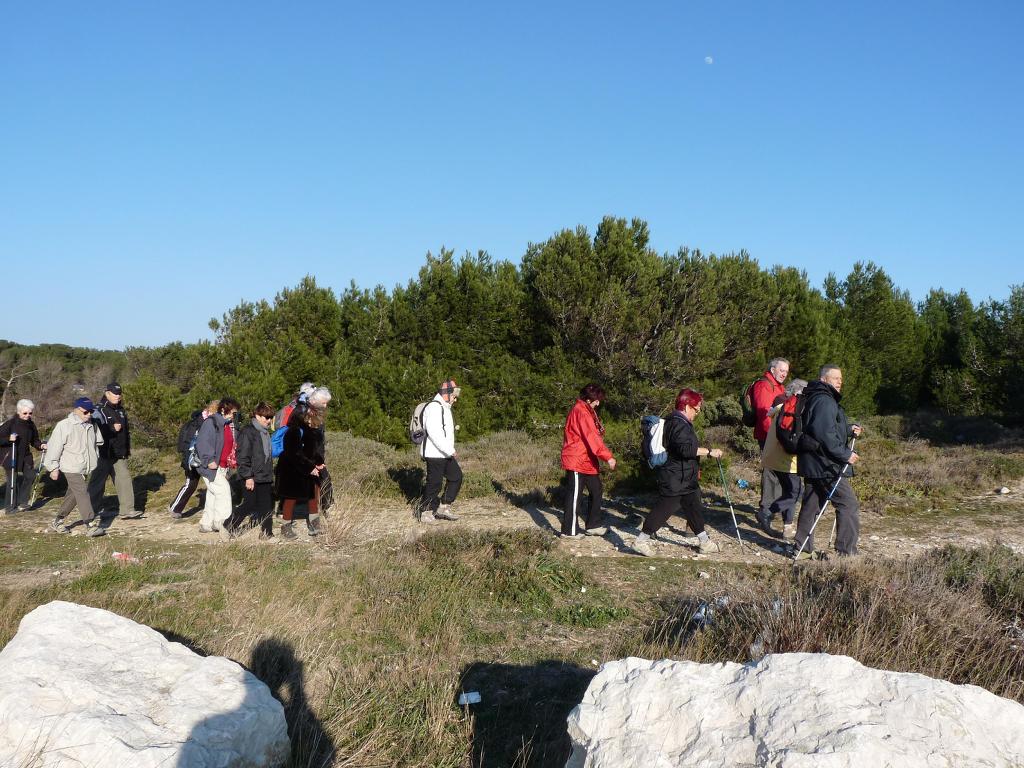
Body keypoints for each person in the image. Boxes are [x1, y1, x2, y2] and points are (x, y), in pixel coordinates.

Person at [633, 388, 724, 557]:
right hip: (675, 476)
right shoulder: (677, 422)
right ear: (687, 406)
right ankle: (641, 541)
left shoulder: (679, 422)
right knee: (664, 508)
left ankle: (704, 542)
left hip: (684, 476)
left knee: (693, 506)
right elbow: (684, 449)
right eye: (696, 409)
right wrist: (709, 452)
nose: (698, 412)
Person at [794, 365, 863, 558]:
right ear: (824, 379)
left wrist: (849, 430)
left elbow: (826, 428)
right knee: (848, 504)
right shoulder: (824, 400)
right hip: (826, 464)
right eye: (835, 378)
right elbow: (824, 434)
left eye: (841, 378)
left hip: (813, 462)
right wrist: (845, 454)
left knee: (811, 505)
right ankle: (846, 552)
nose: (840, 382)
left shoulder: (818, 398)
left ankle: (802, 548)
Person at [560, 384, 616, 537]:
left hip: (587, 460)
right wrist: (608, 457)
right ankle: (569, 531)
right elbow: (592, 437)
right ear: (589, 398)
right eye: (597, 400)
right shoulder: (581, 412)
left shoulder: (586, 411)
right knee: (574, 496)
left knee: (596, 490)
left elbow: (595, 434)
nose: (598, 403)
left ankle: (593, 525)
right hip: (577, 459)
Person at [44, 397, 105, 536]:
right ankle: (90, 524)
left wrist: (94, 455)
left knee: (73, 495)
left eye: (91, 411)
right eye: (86, 412)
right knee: (82, 492)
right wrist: (53, 467)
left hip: (86, 467)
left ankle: (57, 521)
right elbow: (54, 447)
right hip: (70, 467)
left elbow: (98, 442)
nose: (89, 414)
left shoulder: (93, 425)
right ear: (76, 410)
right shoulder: (64, 425)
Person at [758, 379, 808, 540]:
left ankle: (787, 527)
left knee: (789, 492)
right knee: (796, 493)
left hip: (772, 457)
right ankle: (767, 512)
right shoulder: (794, 411)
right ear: (798, 392)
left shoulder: (780, 407)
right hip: (787, 460)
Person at [87, 383, 142, 519]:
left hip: (119, 453)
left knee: (124, 479)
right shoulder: (98, 410)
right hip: (103, 453)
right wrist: (111, 428)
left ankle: (127, 510)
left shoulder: (121, 410)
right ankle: (89, 511)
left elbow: (125, 432)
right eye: (115, 393)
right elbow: (93, 429)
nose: (118, 396)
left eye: (119, 393)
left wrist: (126, 449)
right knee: (97, 483)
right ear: (107, 394)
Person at [223, 403, 276, 540]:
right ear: (257, 415)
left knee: (266, 505)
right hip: (250, 476)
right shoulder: (248, 431)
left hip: (264, 475)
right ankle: (229, 525)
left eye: (271, 417)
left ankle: (266, 533)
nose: (269, 420)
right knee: (250, 503)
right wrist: (248, 477)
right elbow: (243, 456)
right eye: (266, 417)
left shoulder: (264, 432)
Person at [750, 358, 789, 536]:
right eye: (782, 370)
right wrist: (777, 436)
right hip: (768, 437)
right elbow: (764, 413)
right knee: (771, 473)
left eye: (786, 371)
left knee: (778, 472)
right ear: (772, 369)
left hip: (777, 437)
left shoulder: (779, 387)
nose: (784, 374)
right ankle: (766, 509)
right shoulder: (764, 385)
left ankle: (771, 509)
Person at [275, 406, 327, 540]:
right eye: (309, 417)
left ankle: (314, 523)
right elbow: (294, 454)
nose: (312, 420)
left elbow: (312, 451)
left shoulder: (309, 431)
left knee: (313, 497)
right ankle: (285, 527)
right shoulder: (293, 432)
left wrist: (319, 461)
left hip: (307, 468)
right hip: (291, 470)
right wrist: (310, 468)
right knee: (290, 498)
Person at [419, 379, 463, 523]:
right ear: (447, 394)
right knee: (434, 483)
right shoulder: (434, 407)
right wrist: (450, 450)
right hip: (434, 453)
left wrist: (448, 451)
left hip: (444, 453)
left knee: (456, 476)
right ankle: (426, 513)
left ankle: (443, 507)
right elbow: (435, 433)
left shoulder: (444, 407)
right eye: (454, 396)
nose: (455, 399)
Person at [195, 398, 240, 534]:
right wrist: (209, 460)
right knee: (223, 490)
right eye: (233, 412)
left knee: (213, 494)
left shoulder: (227, 424)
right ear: (223, 410)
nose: (234, 415)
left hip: (221, 466)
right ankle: (223, 523)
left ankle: (206, 523)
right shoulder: (211, 422)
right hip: (210, 466)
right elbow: (203, 443)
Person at [168, 399, 219, 518]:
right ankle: (175, 508)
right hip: (193, 458)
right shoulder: (200, 422)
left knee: (202, 483)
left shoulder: (205, 421)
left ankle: (176, 507)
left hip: (202, 457)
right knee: (190, 483)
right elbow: (189, 442)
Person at [1, 399, 46, 513]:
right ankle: (10, 507)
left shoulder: (30, 424)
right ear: (18, 412)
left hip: (25, 456)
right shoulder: (10, 423)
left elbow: (34, 440)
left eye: (30, 413)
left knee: (30, 475)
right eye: (25, 413)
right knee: (13, 481)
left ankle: (22, 503)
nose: (28, 415)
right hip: (11, 455)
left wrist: (40, 445)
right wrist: (8, 439)